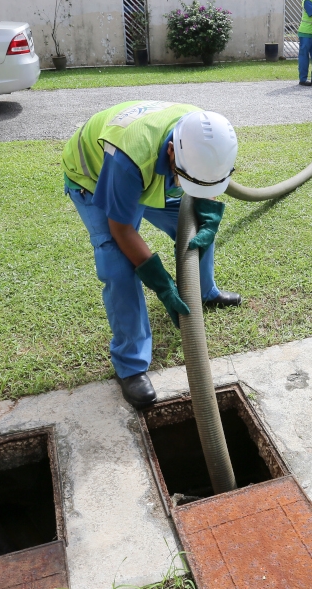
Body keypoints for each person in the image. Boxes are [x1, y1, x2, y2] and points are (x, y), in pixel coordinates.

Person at [63, 101, 242, 409]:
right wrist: (163, 285)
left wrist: (209, 212)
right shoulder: (129, 158)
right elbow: (121, 229)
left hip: (153, 173)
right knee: (119, 265)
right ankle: (130, 366)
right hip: (96, 179)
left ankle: (204, 292)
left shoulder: (203, 135)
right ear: (172, 152)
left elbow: (205, 180)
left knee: (196, 227)